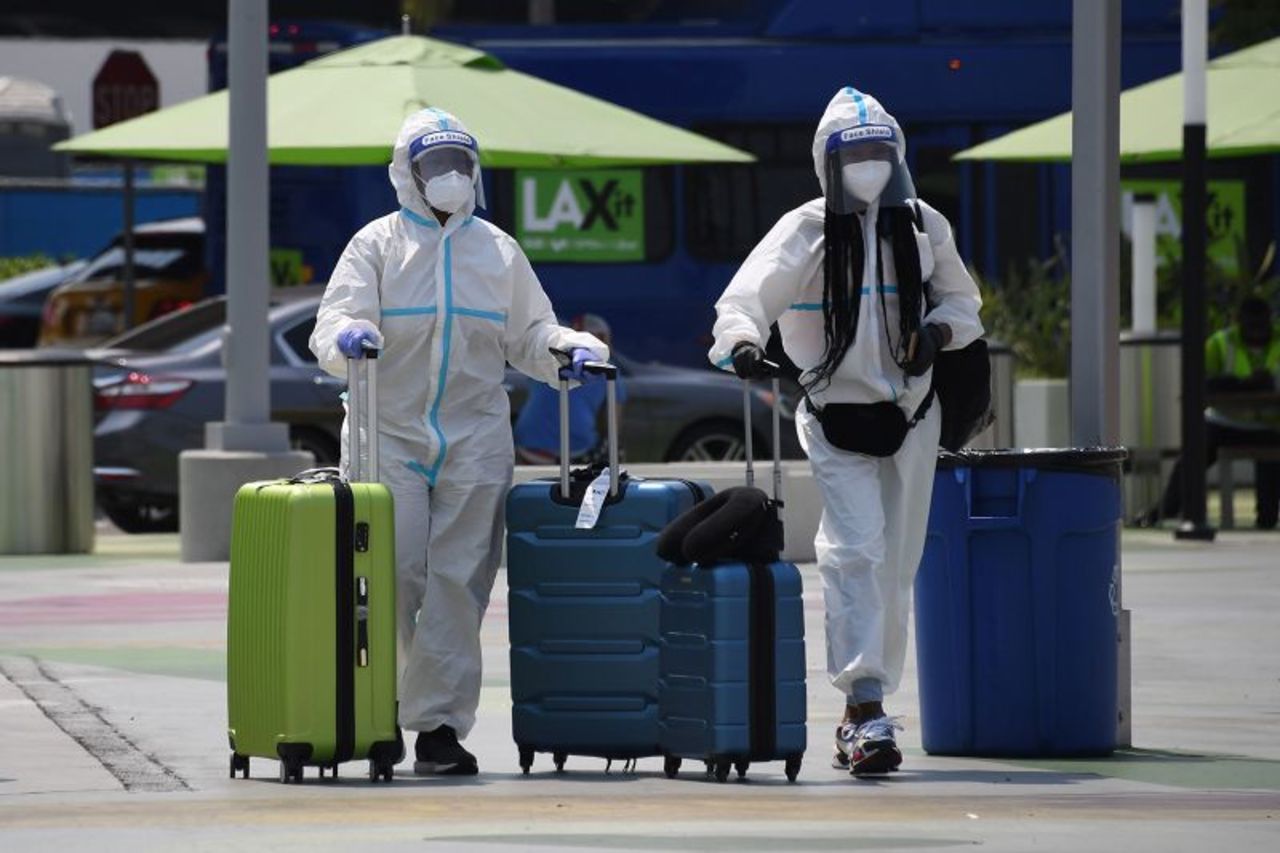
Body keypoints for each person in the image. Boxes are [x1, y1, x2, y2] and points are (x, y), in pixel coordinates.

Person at [309, 109, 608, 775]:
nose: (448, 177)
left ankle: (437, 727)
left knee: (459, 582)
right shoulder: (376, 246)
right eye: (433, 165)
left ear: (475, 170)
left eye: (458, 163)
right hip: (388, 430)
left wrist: (565, 348)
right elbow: (335, 320)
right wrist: (347, 340)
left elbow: (530, 334)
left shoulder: (497, 251)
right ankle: (376, 708)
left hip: (475, 434)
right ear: (405, 174)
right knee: (395, 569)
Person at [708, 87, 983, 776]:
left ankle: (868, 703)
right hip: (834, 418)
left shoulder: (924, 226)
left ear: (897, 155)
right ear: (827, 162)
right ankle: (865, 706)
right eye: (852, 153)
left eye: (877, 150)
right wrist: (741, 344)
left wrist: (939, 331)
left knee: (896, 565)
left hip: (915, 414)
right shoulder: (802, 230)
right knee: (853, 551)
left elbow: (965, 303)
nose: (867, 164)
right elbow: (743, 300)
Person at [1144, 296, 1280, 529]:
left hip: (1270, 424)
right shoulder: (1220, 343)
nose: (1257, 333)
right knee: (1193, 451)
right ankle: (1164, 512)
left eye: (1262, 326)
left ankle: (1267, 519)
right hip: (1224, 422)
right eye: (1251, 326)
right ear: (1239, 322)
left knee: (1271, 463)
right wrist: (1241, 383)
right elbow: (1200, 382)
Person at [513, 313, 626, 464]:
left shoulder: (547, 357)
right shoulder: (609, 371)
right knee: (612, 451)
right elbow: (613, 425)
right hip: (574, 446)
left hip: (527, 443)